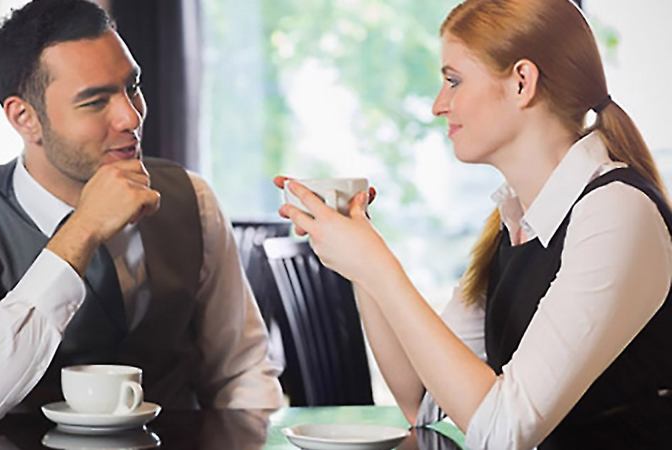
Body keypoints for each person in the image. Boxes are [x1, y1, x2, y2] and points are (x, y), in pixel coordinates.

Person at [278, 0, 672, 448]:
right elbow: (421, 400)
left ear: (522, 82)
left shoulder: (616, 212)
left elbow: (503, 431)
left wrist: (378, 267)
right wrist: (362, 260)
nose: (438, 105)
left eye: (454, 81)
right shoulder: (517, 221)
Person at [0, 0, 282, 429]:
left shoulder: (192, 198)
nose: (131, 116)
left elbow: (241, 371)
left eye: (132, 86)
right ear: (25, 118)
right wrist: (83, 229)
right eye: (94, 101)